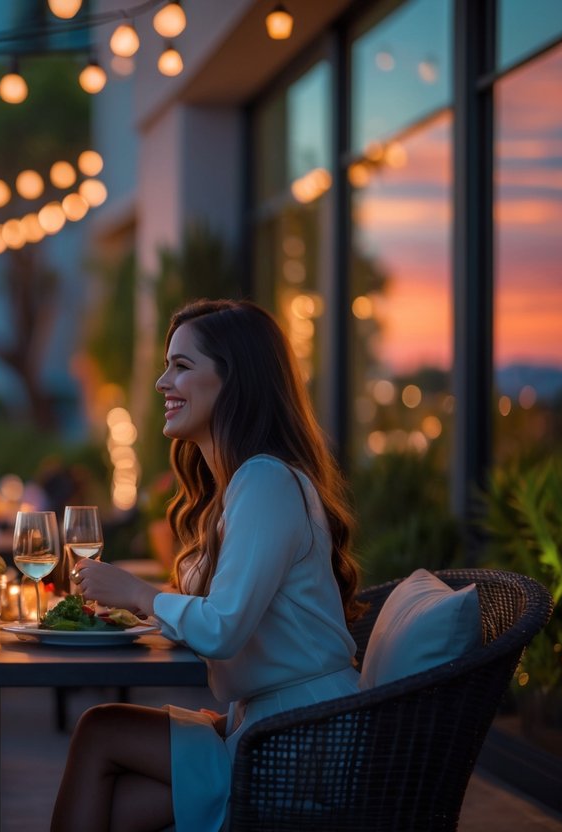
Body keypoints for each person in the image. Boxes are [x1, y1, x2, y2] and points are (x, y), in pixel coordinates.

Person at [50, 299, 365, 832]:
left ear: (233, 380)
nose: (161, 382)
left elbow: (222, 628)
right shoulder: (243, 483)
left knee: (102, 731)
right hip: (269, 723)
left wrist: (138, 594)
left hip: (305, 739)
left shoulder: (266, 482)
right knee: (111, 787)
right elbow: (225, 615)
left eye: (181, 365)